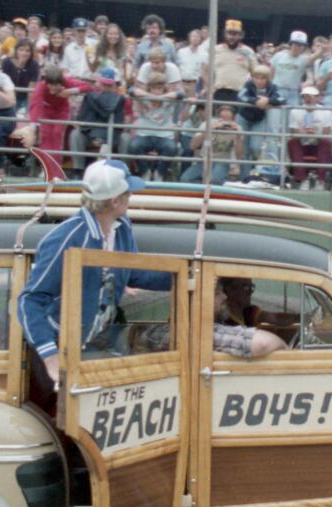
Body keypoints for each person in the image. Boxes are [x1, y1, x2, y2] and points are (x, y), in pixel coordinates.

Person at [16, 160, 172, 385]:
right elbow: (30, 300)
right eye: (128, 192)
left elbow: (133, 272)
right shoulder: (67, 238)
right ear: (115, 200)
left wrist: (183, 276)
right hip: (62, 349)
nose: (131, 196)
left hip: (99, 341)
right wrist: (51, 358)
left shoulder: (122, 227)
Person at [211, 279, 288, 358]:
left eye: (251, 287)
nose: (225, 296)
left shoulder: (247, 312)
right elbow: (262, 344)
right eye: (246, 287)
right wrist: (286, 348)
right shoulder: (210, 331)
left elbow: (276, 318)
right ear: (231, 290)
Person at [235, 64, 285, 181]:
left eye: (262, 78)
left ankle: (255, 170)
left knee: (255, 146)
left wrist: (268, 100)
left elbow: (282, 99)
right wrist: (256, 101)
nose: (259, 81)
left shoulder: (272, 87)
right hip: (244, 118)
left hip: (259, 119)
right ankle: (245, 177)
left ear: (267, 79)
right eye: (256, 77)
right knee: (244, 149)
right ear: (252, 77)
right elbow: (240, 96)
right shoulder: (248, 85)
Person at [128, 74, 180, 180]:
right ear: (149, 88)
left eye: (159, 88)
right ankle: (145, 172)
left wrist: (161, 97)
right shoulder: (143, 98)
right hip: (144, 134)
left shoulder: (168, 99)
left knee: (171, 148)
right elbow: (131, 90)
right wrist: (150, 96)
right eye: (154, 88)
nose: (156, 91)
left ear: (164, 89)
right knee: (134, 146)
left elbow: (180, 94)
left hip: (164, 136)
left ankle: (159, 173)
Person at [181, 104, 244, 185]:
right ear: (218, 113)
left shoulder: (238, 128)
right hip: (205, 161)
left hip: (223, 162)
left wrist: (238, 136)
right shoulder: (207, 124)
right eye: (223, 111)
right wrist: (210, 130)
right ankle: (201, 190)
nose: (225, 114)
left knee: (215, 181)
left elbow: (239, 155)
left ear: (233, 115)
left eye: (228, 111)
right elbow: (192, 146)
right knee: (185, 179)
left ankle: (209, 190)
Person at [286, 86, 332, 191]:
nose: (308, 99)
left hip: (318, 142)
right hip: (302, 142)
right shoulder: (295, 111)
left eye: (311, 96)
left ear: (317, 98)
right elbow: (294, 132)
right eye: (305, 96)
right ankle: (303, 179)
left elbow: (326, 132)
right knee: (292, 142)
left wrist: (315, 134)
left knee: (326, 143)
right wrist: (304, 132)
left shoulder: (326, 112)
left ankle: (321, 179)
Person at [211, 19, 255, 105]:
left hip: (240, 93)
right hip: (219, 92)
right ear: (225, 34)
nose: (232, 37)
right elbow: (206, 71)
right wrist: (208, 88)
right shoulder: (215, 50)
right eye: (229, 34)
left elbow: (255, 73)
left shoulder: (248, 52)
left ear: (241, 36)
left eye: (235, 34)